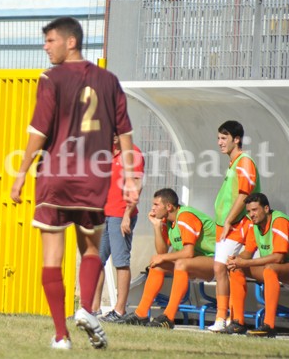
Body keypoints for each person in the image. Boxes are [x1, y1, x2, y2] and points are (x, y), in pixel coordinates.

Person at [10, 17, 139, 350]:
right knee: (91, 249)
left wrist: (22, 171)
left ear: (71, 42)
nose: (45, 46)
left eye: (50, 40)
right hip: (94, 179)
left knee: (52, 257)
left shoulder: (51, 78)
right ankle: (85, 310)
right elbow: (125, 134)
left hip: (56, 174)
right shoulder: (110, 81)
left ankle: (60, 335)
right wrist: (130, 180)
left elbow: (39, 130)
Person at [118, 188, 216, 328]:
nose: (152, 208)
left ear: (169, 206)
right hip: (194, 262)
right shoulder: (168, 221)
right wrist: (157, 226)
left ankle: (169, 317)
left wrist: (162, 257)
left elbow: (188, 252)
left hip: (216, 262)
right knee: (158, 265)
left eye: (156, 205)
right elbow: (162, 251)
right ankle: (141, 314)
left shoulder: (185, 217)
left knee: (180, 264)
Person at [209, 120, 260, 332]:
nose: (219, 142)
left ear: (236, 139)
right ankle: (232, 319)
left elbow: (245, 194)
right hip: (226, 225)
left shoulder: (245, 161)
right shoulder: (233, 162)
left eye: (224, 138)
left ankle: (224, 317)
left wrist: (230, 219)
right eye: (219, 138)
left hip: (238, 225)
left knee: (222, 266)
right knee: (230, 267)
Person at [92, 135, 144, 322]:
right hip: (103, 215)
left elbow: (137, 187)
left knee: (121, 261)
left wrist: (127, 216)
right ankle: (94, 309)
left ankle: (119, 310)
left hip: (120, 215)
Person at [225, 192, 289, 337]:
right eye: (248, 211)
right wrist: (236, 259)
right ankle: (238, 322)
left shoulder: (279, 221)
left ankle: (269, 326)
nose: (251, 214)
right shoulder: (254, 224)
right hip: (277, 268)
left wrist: (246, 261)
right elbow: (248, 252)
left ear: (266, 209)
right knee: (236, 268)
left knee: (270, 269)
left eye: (255, 210)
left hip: (282, 266)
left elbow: (279, 257)